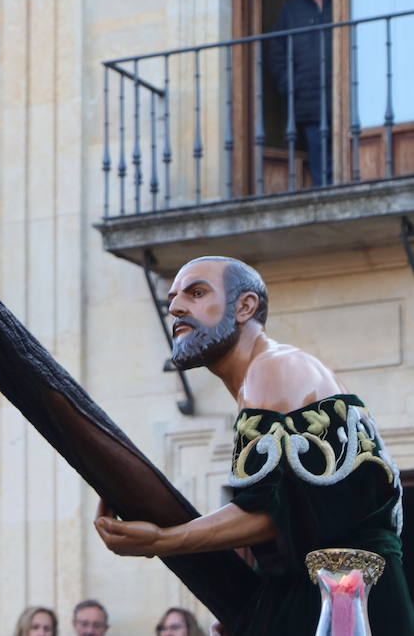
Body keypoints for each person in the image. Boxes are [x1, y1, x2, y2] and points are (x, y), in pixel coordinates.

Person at [93, 256, 414, 635]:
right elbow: (300, 515)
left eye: (197, 293)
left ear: (245, 306)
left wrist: (164, 540)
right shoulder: (266, 375)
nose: (176, 307)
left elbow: (266, 513)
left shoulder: (273, 367)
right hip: (328, 591)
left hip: (345, 603)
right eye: (173, 299)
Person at [264, 0, 333, 186]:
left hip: (345, 97)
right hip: (309, 101)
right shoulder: (290, 11)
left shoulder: (343, 0)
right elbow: (277, 54)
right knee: (321, 166)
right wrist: (291, 84)